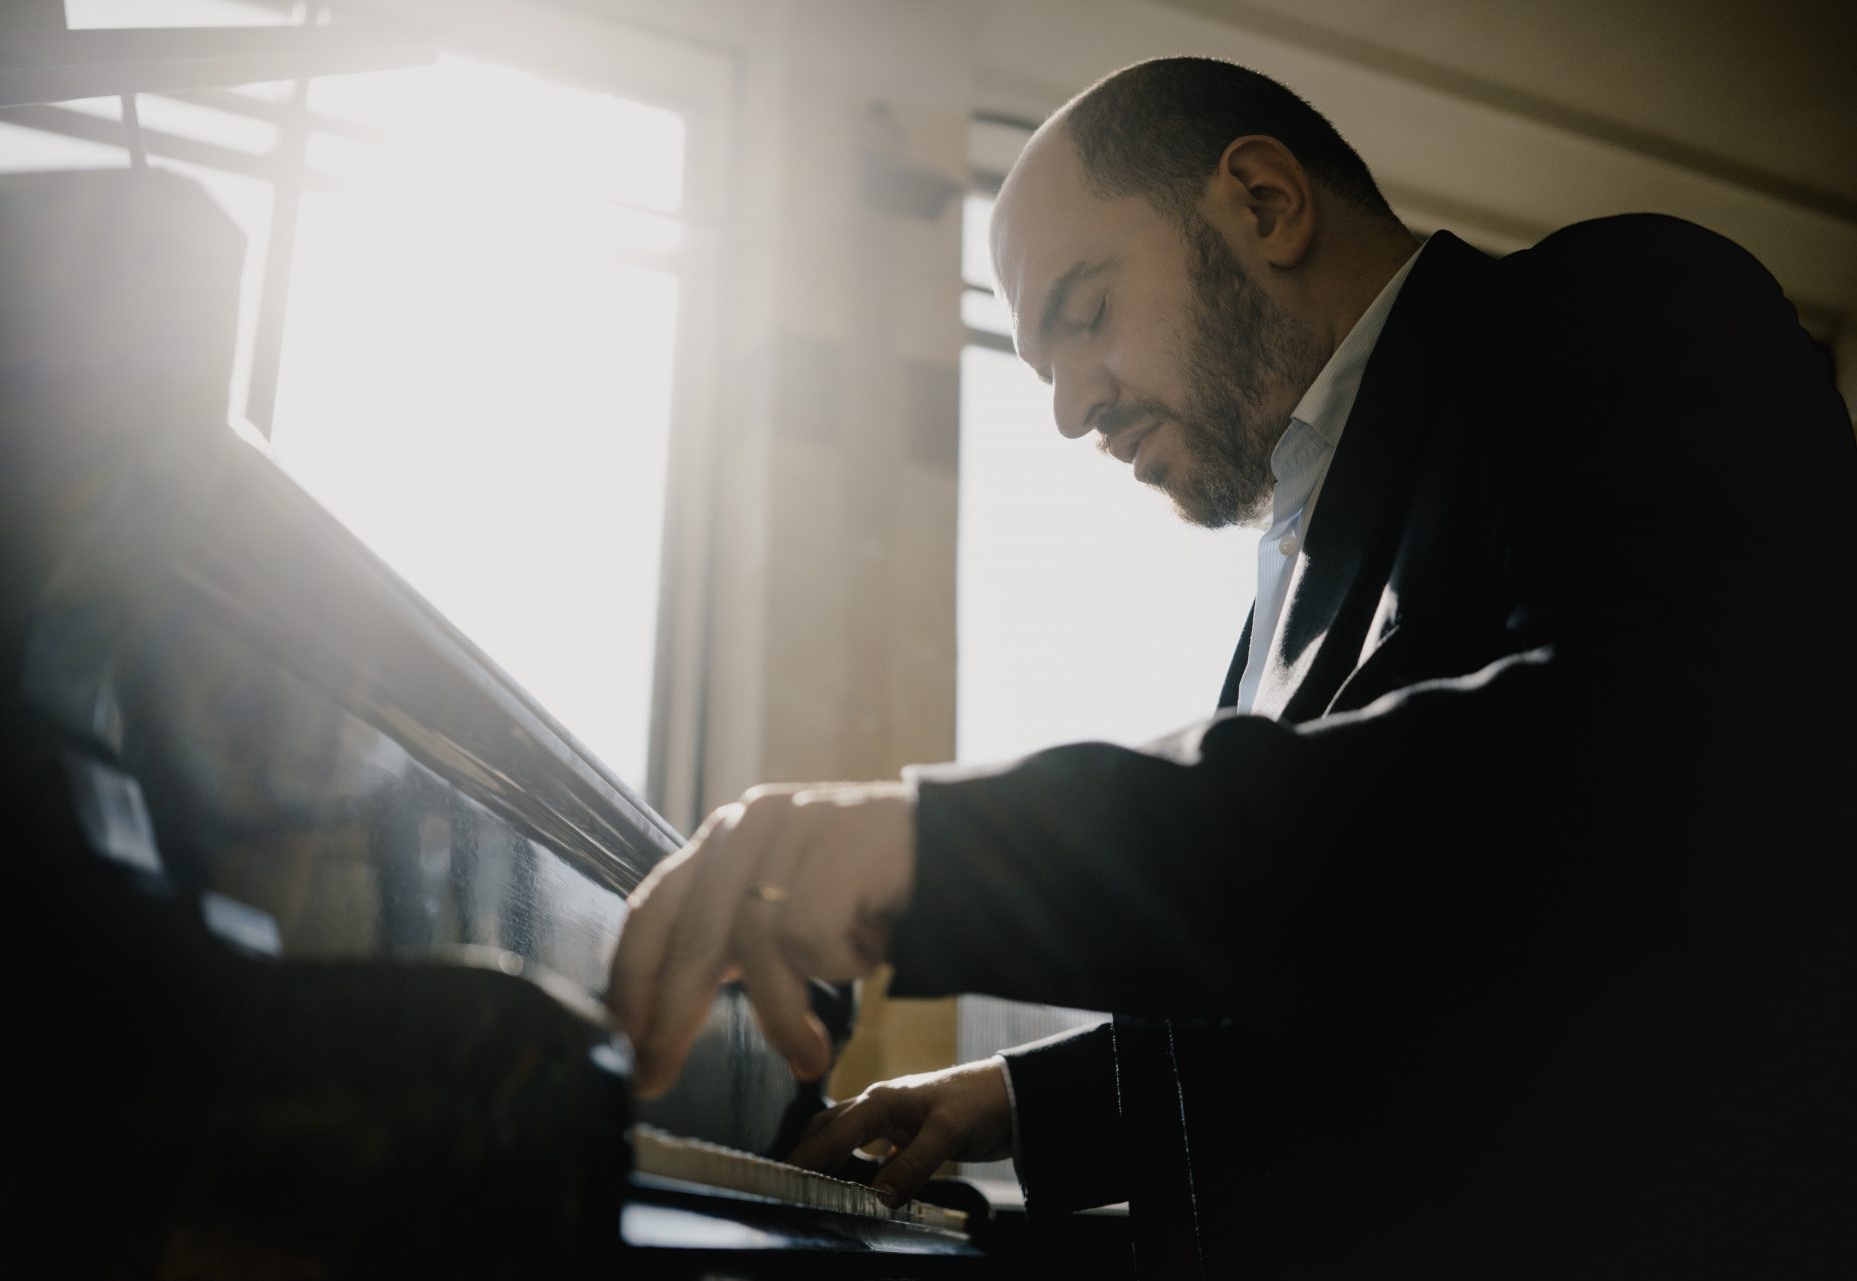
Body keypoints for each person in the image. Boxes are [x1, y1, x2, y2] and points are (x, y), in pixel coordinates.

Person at [608, 56, 1857, 1277]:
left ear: (1264, 201)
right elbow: (1360, 949)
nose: (1068, 413)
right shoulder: (1286, 566)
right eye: (1040, 368)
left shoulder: (1625, 305)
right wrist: (1018, 1100)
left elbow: (1590, 791)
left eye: (1085, 312)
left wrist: (943, 849)